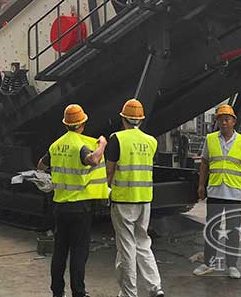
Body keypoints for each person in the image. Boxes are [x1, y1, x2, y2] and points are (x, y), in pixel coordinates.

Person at [37, 104, 108, 297]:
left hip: (60, 207)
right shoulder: (80, 145)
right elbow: (93, 160)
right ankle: (78, 292)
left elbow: (41, 166)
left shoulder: (56, 145)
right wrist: (102, 144)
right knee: (78, 252)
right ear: (82, 124)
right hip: (80, 208)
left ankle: (57, 292)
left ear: (65, 124)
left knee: (60, 252)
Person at [105, 99, 164, 297]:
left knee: (127, 248)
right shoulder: (151, 141)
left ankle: (130, 293)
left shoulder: (117, 139)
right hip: (145, 199)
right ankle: (155, 288)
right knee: (143, 243)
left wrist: (105, 192)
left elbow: (109, 172)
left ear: (123, 118)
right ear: (140, 120)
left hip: (123, 200)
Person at [194, 104, 241, 278]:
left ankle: (232, 265)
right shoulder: (210, 139)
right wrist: (201, 185)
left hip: (234, 193)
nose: (224, 122)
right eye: (221, 119)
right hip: (214, 191)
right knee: (212, 229)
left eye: (227, 119)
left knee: (232, 231)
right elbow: (204, 163)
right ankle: (208, 263)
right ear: (217, 121)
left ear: (234, 122)